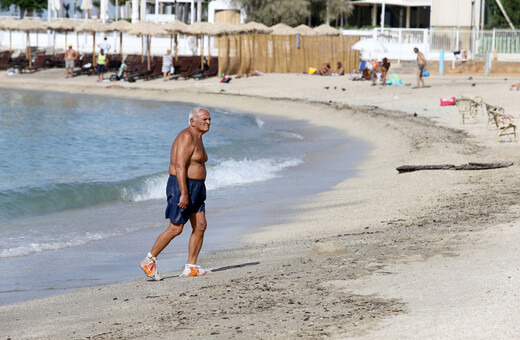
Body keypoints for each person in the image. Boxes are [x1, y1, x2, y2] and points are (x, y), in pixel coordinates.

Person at [140, 107, 211, 280]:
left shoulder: (198, 138)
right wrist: (184, 194)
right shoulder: (186, 136)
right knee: (176, 228)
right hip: (182, 186)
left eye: (209, 119)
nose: (208, 122)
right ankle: (149, 260)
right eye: (204, 119)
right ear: (192, 121)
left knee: (200, 225)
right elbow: (180, 166)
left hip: (197, 187)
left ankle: (191, 266)